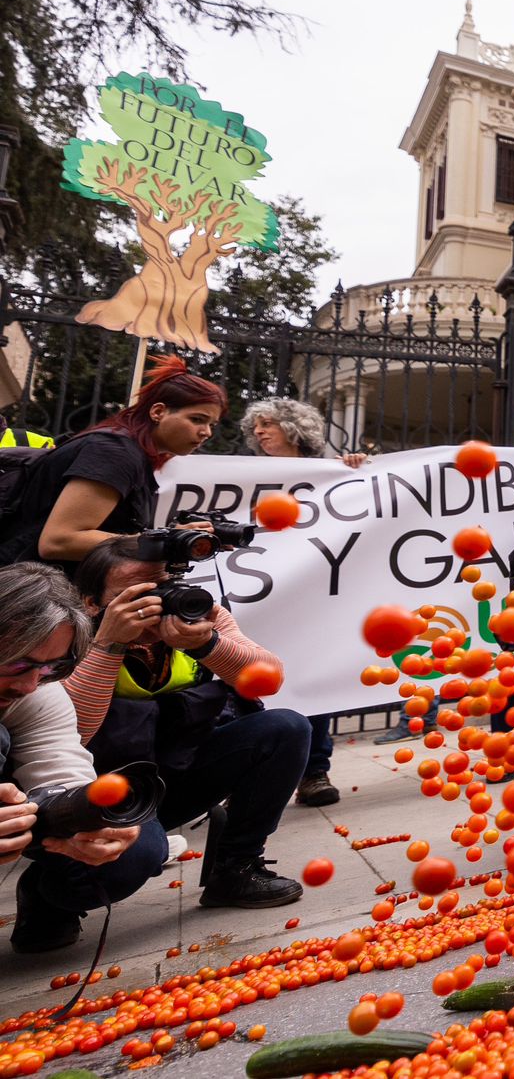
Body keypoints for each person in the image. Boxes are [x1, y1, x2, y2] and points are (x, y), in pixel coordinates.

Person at [68, 538, 307, 911]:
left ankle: (235, 870)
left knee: (285, 728)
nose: (153, 603)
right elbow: (72, 731)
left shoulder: (198, 616)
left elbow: (269, 678)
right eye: (133, 596)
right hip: (98, 795)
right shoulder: (71, 636)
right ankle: (49, 897)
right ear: (92, 602)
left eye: (162, 589)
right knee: (139, 856)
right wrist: (109, 645)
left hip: (176, 776)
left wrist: (207, 645)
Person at [0, 564, 163, 953]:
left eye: (50, 667)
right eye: (18, 664)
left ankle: (48, 897)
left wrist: (93, 826)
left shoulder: (39, 691)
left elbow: (61, 772)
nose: (28, 684)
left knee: (135, 847)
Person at [239, 398, 366, 809]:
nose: (259, 432)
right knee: (249, 681)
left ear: (295, 429)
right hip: (261, 596)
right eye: (256, 426)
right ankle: (246, 769)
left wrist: (358, 467)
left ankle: (313, 771)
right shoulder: (244, 476)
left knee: (309, 678)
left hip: (313, 595)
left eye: (269, 424)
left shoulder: (331, 472)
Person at [0, 357, 223, 571]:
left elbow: (111, 537)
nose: (206, 432)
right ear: (158, 412)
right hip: (25, 596)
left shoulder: (129, 453)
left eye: (212, 424)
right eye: (197, 419)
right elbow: (59, 541)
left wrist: (173, 537)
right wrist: (167, 542)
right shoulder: (115, 452)